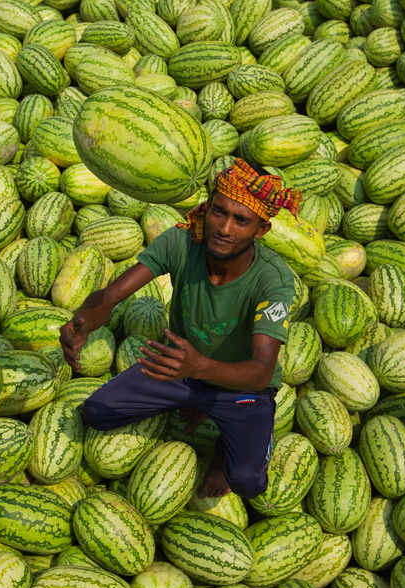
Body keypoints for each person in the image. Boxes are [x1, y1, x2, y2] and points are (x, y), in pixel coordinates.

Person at [59, 158, 301, 500]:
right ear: (208, 207)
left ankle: (223, 445)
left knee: (248, 482)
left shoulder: (274, 279)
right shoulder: (182, 241)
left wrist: (201, 366)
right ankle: (189, 401)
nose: (225, 228)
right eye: (219, 212)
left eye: (242, 220)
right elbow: (113, 294)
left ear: (261, 230)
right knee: (98, 413)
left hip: (239, 386)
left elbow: (261, 371)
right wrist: (84, 318)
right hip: (180, 368)